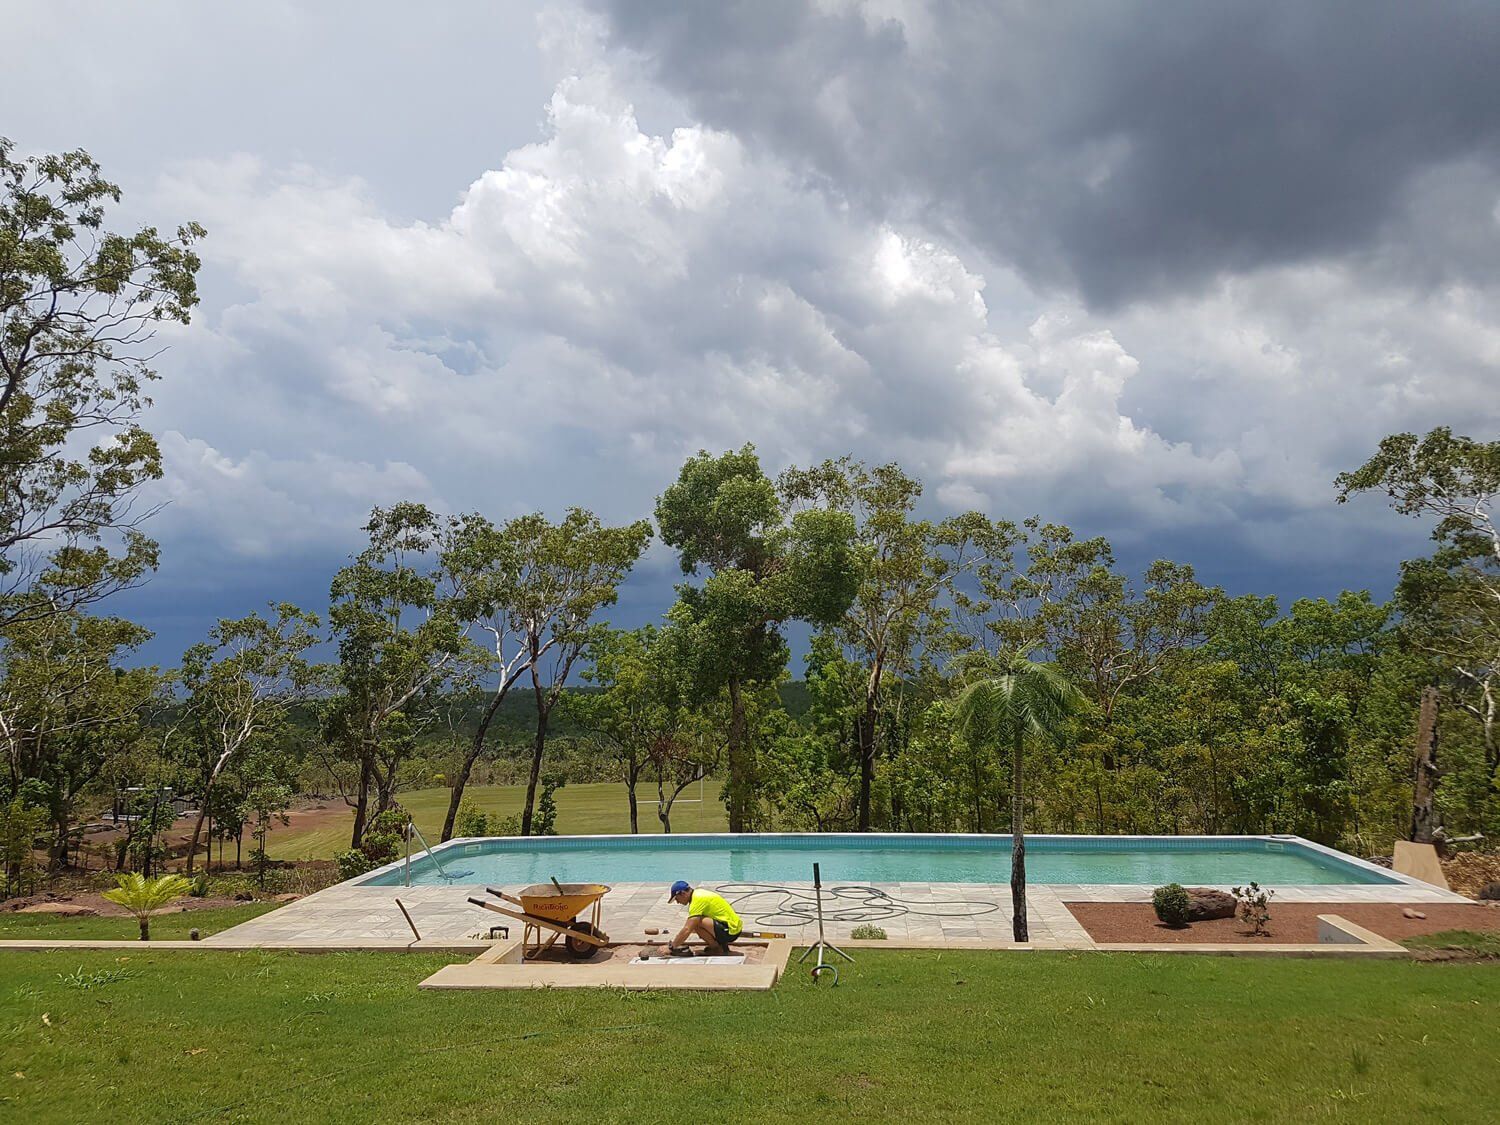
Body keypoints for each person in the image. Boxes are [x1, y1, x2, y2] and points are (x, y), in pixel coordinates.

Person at [667, 879, 742, 955]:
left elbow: (687, 929)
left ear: (683, 893)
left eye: (676, 898)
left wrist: (672, 947)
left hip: (730, 931)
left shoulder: (697, 900)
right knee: (695, 924)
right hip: (732, 927)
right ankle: (721, 946)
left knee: (695, 923)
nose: (677, 902)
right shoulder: (698, 893)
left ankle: (717, 949)